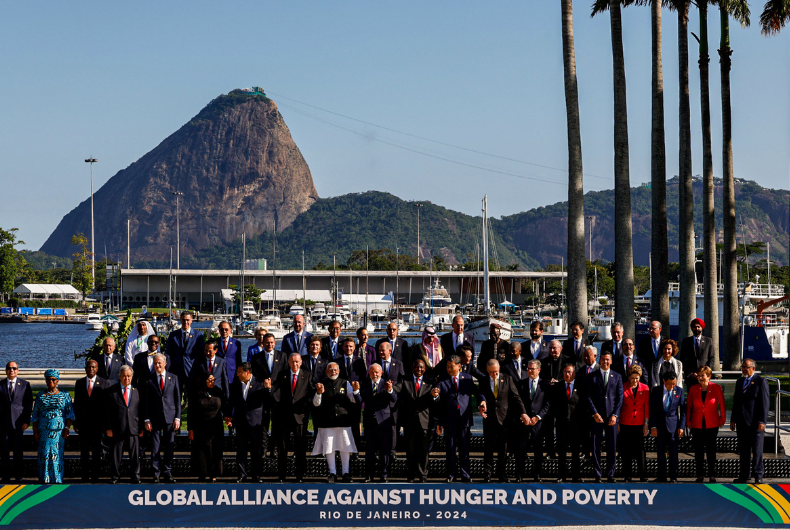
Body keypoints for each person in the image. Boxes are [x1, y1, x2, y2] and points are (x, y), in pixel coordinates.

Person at [435, 355, 483, 482]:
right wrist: (435, 394)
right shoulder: (442, 378)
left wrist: (482, 401)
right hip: (449, 419)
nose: (449, 369)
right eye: (448, 366)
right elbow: (437, 397)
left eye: (452, 366)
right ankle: (451, 475)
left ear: (459, 366)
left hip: (464, 419)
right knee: (450, 448)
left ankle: (465, 474)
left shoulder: (467, 378)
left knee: (464, 448)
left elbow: (477, 393)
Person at [478, 359, 527, 482]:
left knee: (503, 449)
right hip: (489, 419)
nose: (494, 374)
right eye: (491, 372)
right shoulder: (483, 380)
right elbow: (480, 395)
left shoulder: (507, 378)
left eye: (496, 371)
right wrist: (481, 404)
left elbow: (516, 397)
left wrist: (523, 413)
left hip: (504, 419)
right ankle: (487, 474)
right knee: (488, 448)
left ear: (499, 368)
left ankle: (502, 474)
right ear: (487, 371)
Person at [312, 362, 361, 483]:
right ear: (326, 372)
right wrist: (318, 393)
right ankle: (332, 473)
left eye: (335, 370)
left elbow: (353, 399)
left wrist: (356, 391)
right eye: (330, 370)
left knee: (345, 447)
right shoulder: (321, 384)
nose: (333, 372)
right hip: (327, 422)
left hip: (343, 421)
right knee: (329, 448)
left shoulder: (345, 383)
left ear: (339, 371)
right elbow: (316, 404)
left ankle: (345, 473)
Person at [271, 353, 314, 482]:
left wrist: (307, 404)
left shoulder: (307, 375)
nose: (294, 364)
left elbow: (311, 392)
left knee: (300, 447)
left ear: (301, 362)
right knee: (282, 447)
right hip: (284, 416)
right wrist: (269, 387)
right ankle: (282, 475)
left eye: (297, 362)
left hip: (300, 416)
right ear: (288, 363)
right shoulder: (282, 374)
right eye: (292, 362)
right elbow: (275, 389)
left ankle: (299, 475)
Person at [397, 359, 439, 483]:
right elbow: (396, 390)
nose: (419, 369)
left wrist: (435, 396)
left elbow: (436, 401)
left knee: (424, 450)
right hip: (409, 421)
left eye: (421, 367)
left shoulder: (430, 382)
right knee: (410, 450)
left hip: (424, 421)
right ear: (412, 367)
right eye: (416, 367)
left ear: (425, 369)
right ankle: (411, 475)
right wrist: (389, 388)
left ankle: (423, 475)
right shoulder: (405, 380)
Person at [225, 363, 266, 483]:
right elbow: (231, 401)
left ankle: (256, 475)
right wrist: (228, 415)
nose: (237, 375)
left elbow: (267, 399)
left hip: (255, 422)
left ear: (247, 372)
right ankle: (242, 475)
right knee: (241, 450)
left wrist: (268, 389)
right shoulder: (236, 384)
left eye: (239, 373)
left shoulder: (259, 383)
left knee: (256, 450)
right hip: (241, 421)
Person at [30, 369, 74, 484]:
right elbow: (35, 414)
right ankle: (44, 478)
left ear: (57, 380)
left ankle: (57, 479)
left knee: (56, 455)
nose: (51, 381)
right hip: (44, 431)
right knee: (44, 455)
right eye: (49, 379)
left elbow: (69, 413)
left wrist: (67, 428)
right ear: (46, 381)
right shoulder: (40, 395)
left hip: (58, 432)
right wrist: (35, 430)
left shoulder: (64, 394)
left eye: (53, 379)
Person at [731, 358, 770, 484]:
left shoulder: (760, 381)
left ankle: (758, 474)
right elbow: (736, 402)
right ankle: (744, 475)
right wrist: (733, 419)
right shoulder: (739, 382)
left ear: (753, 368)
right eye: (742, 367)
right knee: (743, 450)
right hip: (741, 421)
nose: (743, 369)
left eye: (746, 367)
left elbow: (764, 403)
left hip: (755, 422)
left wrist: (762, 421)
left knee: (757, 450)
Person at [143, 353, 181, 483]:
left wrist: (178, 418)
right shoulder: (149, 379)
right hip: (155, 418)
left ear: (165, 363)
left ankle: (167, 472)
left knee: (169, 446)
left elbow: (177, 400)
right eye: (155, 363)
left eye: (159, 363)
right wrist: (147, 419)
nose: (157, 365)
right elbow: (146, 401)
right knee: (155, 446)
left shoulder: (173, 378)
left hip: (170, 417)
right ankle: (156, 472)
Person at [586, 351, 623, 483]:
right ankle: (597, 474)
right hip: (597, 417)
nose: (605, 362)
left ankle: (610, 474)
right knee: (596, 446)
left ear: (611, 361)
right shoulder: (592, 376)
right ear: (599, 360)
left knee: (611, 446)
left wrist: (615, 415)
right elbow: (588, 396)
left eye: (607, 359)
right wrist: (595, 413)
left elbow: (620, 398)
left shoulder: (617, 376)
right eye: (603, 359)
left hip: (612, 417)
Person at [686, 366, 726, 483]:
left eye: (702, 375)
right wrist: (688, 420)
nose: (700, 378)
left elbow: (722, 405)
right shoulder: (693, 388)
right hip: (697, 423)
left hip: (712, 423)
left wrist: (722, 419)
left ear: (709, 376)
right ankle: (699, 475)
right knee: (698, 450)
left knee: (711, 450)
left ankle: (712, 475)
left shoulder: (717, 388)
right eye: (698, 375)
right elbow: (689, 406)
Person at [514, 359, 550, 482]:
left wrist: (538, 417)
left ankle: (537, 474)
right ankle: (519, 475)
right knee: (521, 449)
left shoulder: (545, 385)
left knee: (538, 450)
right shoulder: (521, 384)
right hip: (523, 422)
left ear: (539, 370)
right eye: (528, 369)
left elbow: (547, 404)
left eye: (532, 369)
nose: (529, 371)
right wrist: (523, 415)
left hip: (538, 423)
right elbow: (517, 401)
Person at [359, 364, 397, 482]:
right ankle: (369, 475)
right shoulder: (365, 384)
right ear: (369, 373)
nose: (375, 374)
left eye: (377, 372)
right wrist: (356, 391)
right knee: (370, 450)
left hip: (383, 422)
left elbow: (394, 399)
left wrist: (390, 390)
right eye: (372, 372)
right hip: (369, 422)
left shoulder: (387, 383)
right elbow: (360, 400)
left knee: (384, 449)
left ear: (381, 373)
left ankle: (384, 474)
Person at [106, 365, 143, 484]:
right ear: (119, 377)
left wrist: (141, 427)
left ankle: (136, 476)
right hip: (117, 428)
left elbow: (141, 410)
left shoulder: (138, 390)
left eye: (129, 376)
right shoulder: (112, 391)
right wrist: (109, 427)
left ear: (132, 377)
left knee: (135, 454)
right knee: (116, 455)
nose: (126, 378)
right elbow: (108, 411)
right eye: (124, 376)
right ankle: (115, 476)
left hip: (134, 427)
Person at [73, 359, 108, 482]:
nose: (91, 369)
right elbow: (77, 404)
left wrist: (105, 424)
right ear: (85, 368)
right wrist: (76, 422)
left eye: (93, 367)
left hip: (98, 425)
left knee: (96, 451)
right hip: (83, 424)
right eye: (89, 367)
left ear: (97, 369)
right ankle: (84, 476)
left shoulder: (104, 383)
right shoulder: (79, 383)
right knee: (84, 451)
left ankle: (95, 476)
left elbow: (106, 406)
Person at [649, 370, 685, 483]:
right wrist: (652, 426)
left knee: (673, 453)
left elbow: (683, 411)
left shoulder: (679, 391)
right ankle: (661, 476)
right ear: (664, 381)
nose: (672, 386)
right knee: (660, 453)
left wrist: (681, 427)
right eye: (670, 384)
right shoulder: (656, 391)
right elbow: (652, 410)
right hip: (659, 427)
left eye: (674, 383)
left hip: (673, 427)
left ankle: (673, 476)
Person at [188, 373, 225, 482]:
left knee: (215, 450)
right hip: (200, 426)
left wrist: (228, 417)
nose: (212, 382)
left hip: (216, 426)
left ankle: (214, 474)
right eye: (209, 380)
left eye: (213, 379)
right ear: (204, 380)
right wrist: (190, 428)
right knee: (201, 451)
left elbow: (225, 406)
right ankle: (202, 473)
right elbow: (191, 411)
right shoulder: (197, 392)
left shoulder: (218, 391)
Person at [0, 361, 33, 483]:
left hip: (18, 424)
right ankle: (5, 476)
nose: (11, 370)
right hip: (3, 424)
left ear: (18, 370)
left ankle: (19, 476)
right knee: (4, 452)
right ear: (5, 370)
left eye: (14, 368)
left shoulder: (25, 385)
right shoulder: (1, 385)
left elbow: (28, 404)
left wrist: (26, 421)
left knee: (18, 451)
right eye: (9, 368)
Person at [552, 363, 584, 482]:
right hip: (561, 424)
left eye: (569, 372)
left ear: (574, 373)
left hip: (576, 424)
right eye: (565, 372)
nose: (567, 374)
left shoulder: (580, 386)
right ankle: (562, 476)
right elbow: (553, 405)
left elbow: (583, 404)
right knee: (562, 452)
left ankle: (576, 476)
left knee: (576, 452)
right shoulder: (557, 386)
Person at [165, 311, 204, 401]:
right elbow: (169, 354)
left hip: (192, 371)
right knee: (176, 397)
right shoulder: (173, 335)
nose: (185, 322)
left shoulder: (198, 335)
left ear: (191, 320)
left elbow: (201, 355)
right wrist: (169, 371)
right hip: (176, 371)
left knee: (193, 398)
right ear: (180, 320)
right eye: (183, 320)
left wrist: (199, 372)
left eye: (187, 320)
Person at [619, 365, 650, 482]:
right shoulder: (623, 387)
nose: (635, 380)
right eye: (632, 378)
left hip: (639, 423)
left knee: (640, 450)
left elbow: (647, 407)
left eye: (637, 378)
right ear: (629, 377)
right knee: (626, 451)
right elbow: (619, 405)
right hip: (625, 423)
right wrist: (618, 423)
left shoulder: (645, 388)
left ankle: (643, 475)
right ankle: (627, 476)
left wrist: (646, 424)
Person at [679, 318, 715, 387]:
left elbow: (711, 358)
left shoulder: (708, 341)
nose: (697, 328)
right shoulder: (686, 341)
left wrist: (705, 372)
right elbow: (683, 358)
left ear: (702, 328)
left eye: (698, 327)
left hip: (704, 377)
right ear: (692, 328)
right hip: (691, 377)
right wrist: (690, 373)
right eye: (695, 327)